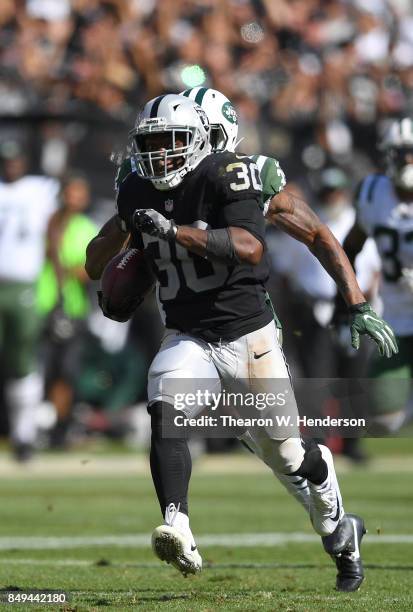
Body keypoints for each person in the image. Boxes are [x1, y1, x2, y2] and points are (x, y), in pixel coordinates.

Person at [109, 93, 398, 592]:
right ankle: (177, 522)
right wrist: (116, 252)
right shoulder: (140, 187)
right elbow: (106, 258)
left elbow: (266, 243)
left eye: (170, 142)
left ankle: (332, 510)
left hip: (248, 335)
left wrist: (356, 302)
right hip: (189, 333)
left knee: (286, 458)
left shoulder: (237, 176)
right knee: (165, 400)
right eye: (152, 144)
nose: (159, 155)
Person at [337, 117, 413, 434]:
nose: (408, 160)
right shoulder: (372, 192)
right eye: (403, 153)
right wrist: (345, 303)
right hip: (396, 319)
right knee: (384, 418)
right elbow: (350, 247)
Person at [0, 139, 59, 461]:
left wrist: (60, 291)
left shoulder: (38, 189)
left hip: (24, 285)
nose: (11, 165)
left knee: (22, 358)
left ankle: (24, 435)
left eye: (15, 159)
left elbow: (52, 236)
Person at [36, 171, 98, 447]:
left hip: (71, 307)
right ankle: (32, 425)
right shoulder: (46, 223)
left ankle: (58, 429)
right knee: (39, 369)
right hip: (41, 302)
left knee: (66, 370)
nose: (74, 199)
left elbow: (91, 270)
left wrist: (67, 264)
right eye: (71, 193)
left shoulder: (86, 227)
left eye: (79, 194)